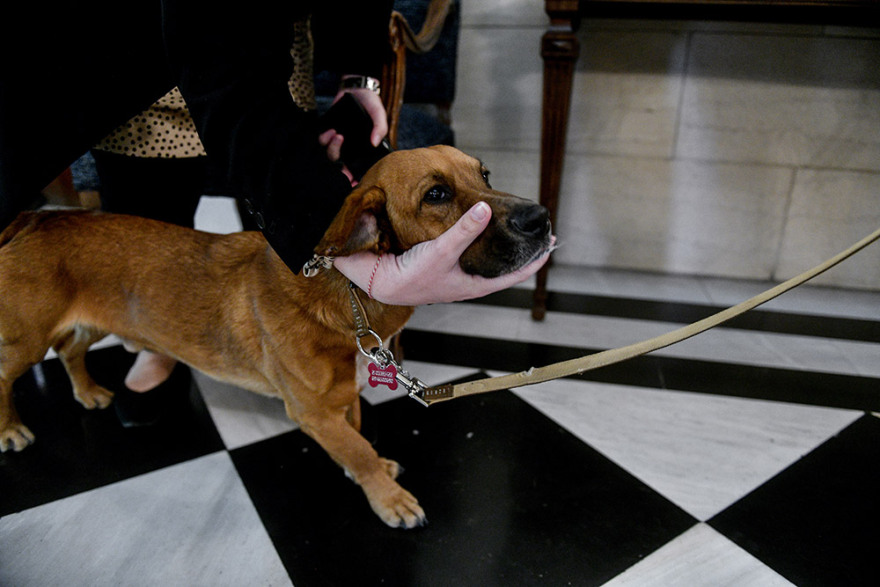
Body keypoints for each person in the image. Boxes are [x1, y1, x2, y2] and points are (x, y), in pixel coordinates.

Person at [0, 2, 551, 390]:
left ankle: (298, 355)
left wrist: (361, 74)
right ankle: (157, 342)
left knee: (282, 258)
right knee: (147, 227)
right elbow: (213, 44)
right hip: (129, 49)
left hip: (262, 48)